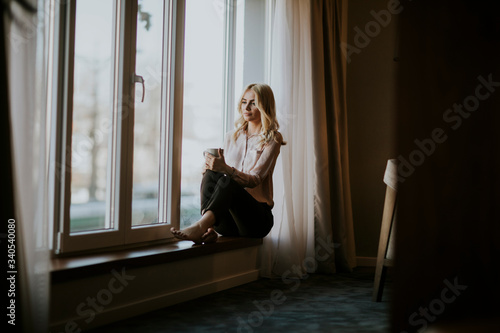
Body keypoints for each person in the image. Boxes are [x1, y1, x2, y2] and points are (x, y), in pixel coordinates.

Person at [170, 83, 286, 244]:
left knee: (230, 181)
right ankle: (208, 228)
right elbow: (221, 178)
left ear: (264, 106)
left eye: (253, 103)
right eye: (244, 102)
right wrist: (211, 168)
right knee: (211, 174)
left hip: (255, 221)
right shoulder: (231, 136)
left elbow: (255, 179)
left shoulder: (273, 138)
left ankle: (199, 227)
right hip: (229, 223)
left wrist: (225, 168)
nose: (246, 107)